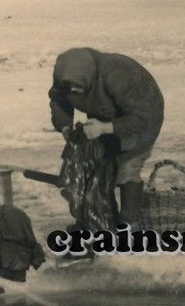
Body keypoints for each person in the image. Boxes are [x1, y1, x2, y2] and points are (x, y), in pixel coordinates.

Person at [48, 48, 165, 229]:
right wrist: (65, 127)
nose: (73, 92)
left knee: (127, 167)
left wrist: (105, 128)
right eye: (70, 88)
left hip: (142, 120)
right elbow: (58, 100)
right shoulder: (65, 73)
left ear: (89, 78)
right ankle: (103, 221)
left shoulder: (116, 75)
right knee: (98, 167)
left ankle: (130, 225)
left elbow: (144, 118)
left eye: (78, 87)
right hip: (103, 117)